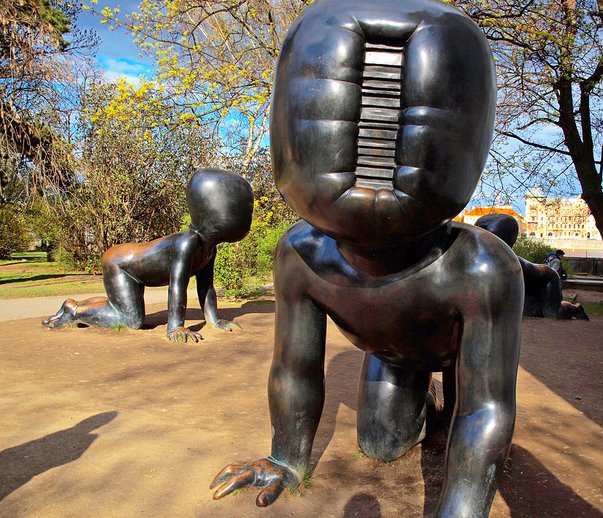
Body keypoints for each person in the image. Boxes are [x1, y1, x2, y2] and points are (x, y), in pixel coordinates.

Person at [209, 1, 523, 516]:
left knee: (471, 427)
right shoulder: (304, 254)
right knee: (381, 442)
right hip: (392, 352)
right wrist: (286, 458)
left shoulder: (480, 268)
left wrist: (459, 510)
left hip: (449, 347)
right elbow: (295, 368)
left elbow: (489, 405)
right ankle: (425, 405)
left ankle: (446, 406)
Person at [42, 168, 253, 342]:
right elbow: (177, 287)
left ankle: (93, 304)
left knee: (124, 311)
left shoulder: (209, 248)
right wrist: (175, 327)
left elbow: (205, 287)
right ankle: (73, 310)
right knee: (131, 320)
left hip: (131, 261)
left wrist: (214, 321)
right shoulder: (187, 243)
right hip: (122, 265)